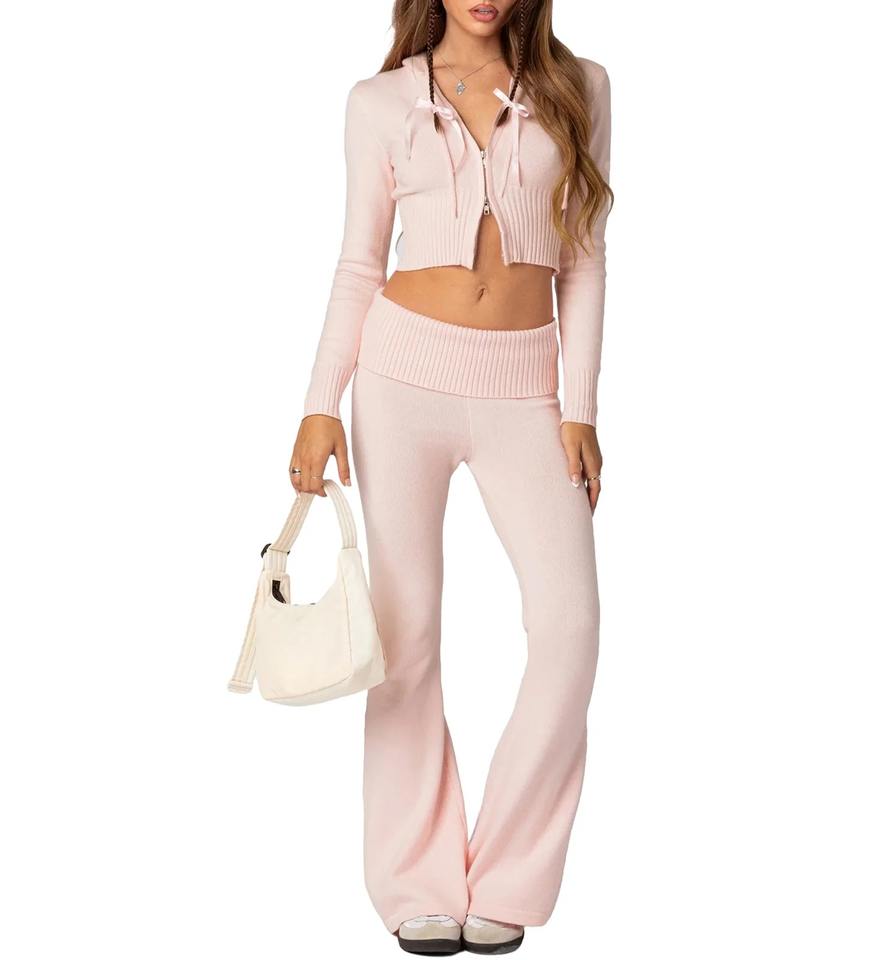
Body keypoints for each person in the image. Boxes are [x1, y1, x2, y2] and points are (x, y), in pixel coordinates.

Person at [288, 0, 613, 953]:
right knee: (408, 631)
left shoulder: (579, 88)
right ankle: (414, 880)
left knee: (569, 624)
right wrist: (319, 402)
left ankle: (507, 873)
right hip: (401, 378)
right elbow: (359, 263)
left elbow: (585, 260)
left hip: (527, 389)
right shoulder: (378, 101)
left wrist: (581, 406)